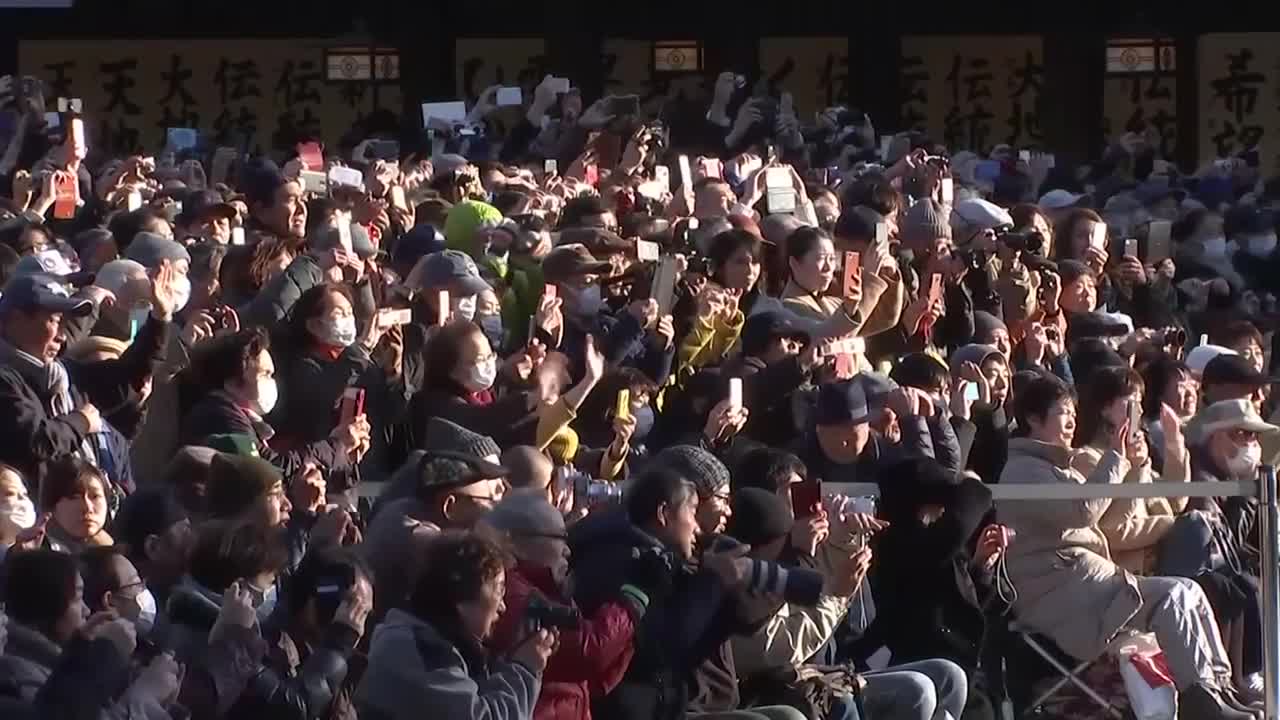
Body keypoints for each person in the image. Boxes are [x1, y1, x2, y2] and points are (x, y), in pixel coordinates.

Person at [999, 373, 1255, 719]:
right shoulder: (1023, 471)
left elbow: (1116, 511)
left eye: (1073, 411)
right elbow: (1084, 511)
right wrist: (1116, 459)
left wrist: (1135, 468)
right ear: (1032, 418)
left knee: (1189, 590)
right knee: (1173, 595)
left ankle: (1215, 690)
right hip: (1058, 594)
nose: (1072, 421)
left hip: (1083, 583)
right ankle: (1200, 700)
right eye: (1062, 412)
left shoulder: (1060, 467)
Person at [485, 491, 655, 720]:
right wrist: (631, 601)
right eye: (559, 537)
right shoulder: (510, 592)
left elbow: (597, 682)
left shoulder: (550, 591)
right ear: (516, 543)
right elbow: (588, 654)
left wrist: (629, 623)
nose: (568, 550)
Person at [356, 531, 556, 720]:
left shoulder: (424, 641)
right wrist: (524, 668)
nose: (502, 607)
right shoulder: (418, 653)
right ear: (461, 597)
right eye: (497, 591)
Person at [182, 327, 368, 479]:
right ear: (233, 384)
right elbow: (273, 472)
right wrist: (336, 444)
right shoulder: (220, 416)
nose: (272, 381)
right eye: (265, 374)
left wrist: (344, 454)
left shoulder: (237, 417)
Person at [39, 455, 113, 553]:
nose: (87, 507)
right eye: (74, 498)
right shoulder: (37, 554)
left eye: (95, 496)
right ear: (52, 506)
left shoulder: (119, 555)